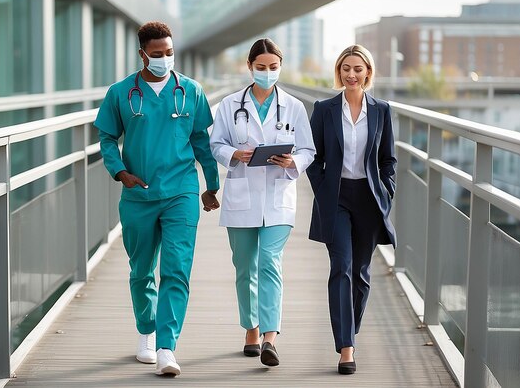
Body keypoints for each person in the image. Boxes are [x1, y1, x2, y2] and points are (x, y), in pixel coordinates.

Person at [94, 21, 220, 377]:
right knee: (141, 271)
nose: (165, 59)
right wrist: (120, 172)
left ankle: (167, 346)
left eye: (169, 53)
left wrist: (210, 184)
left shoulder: (191, 90)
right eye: (157, 54)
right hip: (138, 193)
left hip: (181, 190)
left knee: (177, 269)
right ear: (142, 54)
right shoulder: (121, 93)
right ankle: (146, 331)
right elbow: (106, 138)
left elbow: (201, 142)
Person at [210, 38, 315, 367]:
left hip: (278, 197)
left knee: (269, 263)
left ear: (280, 67)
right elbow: (216, 144)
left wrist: (292, 162)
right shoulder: (230, 105)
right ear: (250, 67)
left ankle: (270, 337)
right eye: (261, 67)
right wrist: (234, 155)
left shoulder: (294, 107)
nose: (267, 73)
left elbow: (308, 150)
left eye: (273, 68)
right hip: (241, 195)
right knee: (245, 268)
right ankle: (251, 329)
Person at [306, 44, 397, 375]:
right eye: (346, 68)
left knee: (361, 274)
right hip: (338, 197)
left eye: (358, 69)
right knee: (341, 266)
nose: (351, 74)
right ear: (339, 71)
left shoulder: (382, 110)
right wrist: (324, 190)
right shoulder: (324, 108)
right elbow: (313, 157)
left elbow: (388, 160)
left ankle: (349, 330)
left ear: (368, 73)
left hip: (370, 199)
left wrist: (387, 190)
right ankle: (346, 347)